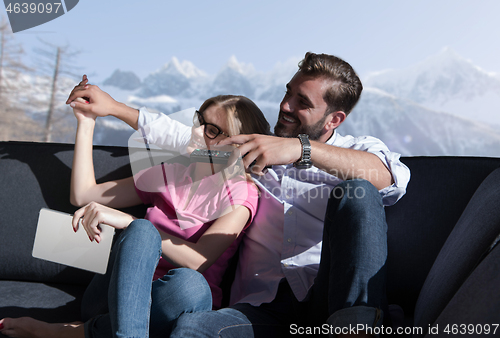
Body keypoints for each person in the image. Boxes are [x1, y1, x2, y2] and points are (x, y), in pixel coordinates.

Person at [63, 52, 410, 337]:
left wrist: (299, 149)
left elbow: (387, 177)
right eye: (287, 93)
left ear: (334, 119)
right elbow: (187, 137)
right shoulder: (251, 156)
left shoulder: (354, 152)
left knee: (357, 192)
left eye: (301, 102)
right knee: (191, 328)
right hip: (263, 311)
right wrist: (112, 108)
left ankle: (359, 326)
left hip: (328, 299)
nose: (285, 106)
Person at [0, 95, 271, 337]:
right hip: (114, 296)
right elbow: (84, 195)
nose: (196, 131)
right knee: (142, 233)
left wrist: (131, 223)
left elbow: (198, 260)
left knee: (189, 283)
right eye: (199, 120)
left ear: (237, 145)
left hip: (172, 305)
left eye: (211, 130)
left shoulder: (241, 195)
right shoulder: (172, 172)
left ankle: (71, 333)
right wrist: (86, 122)